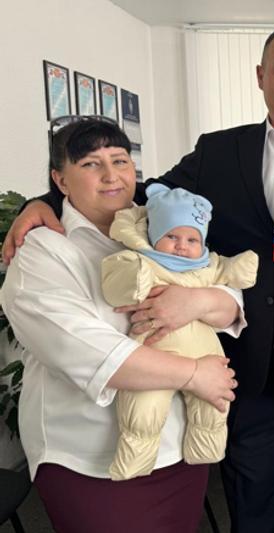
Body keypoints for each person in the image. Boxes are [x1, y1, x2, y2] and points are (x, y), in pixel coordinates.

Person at [4, 27, 274, 533]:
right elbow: (140, 195)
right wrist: (45, 202)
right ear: (262, 77)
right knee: (252, 505)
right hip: (245, 366)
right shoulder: (220, 152)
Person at [0, 117, 241, 532]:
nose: (111, 175)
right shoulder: (43, 251)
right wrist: (194, 374)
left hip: (178, 446)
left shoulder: (161, 224)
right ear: (60, 179)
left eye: (120, 160)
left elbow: (227, 293)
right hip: (90, 456)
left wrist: (199, 300)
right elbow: (83, 349)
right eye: (90, 164)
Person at [102, 184, 258, 481]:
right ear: (154, 235)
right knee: (144, 412)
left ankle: (206, 450)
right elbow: (115, 282)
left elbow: (227, 271)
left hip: (204, 351)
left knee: (214, 406)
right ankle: (134, 463)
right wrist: (135, 279)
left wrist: (241, 268)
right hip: (154, 351)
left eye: (191, 239)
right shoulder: (143, 260)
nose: (181, 246)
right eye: (171, 236)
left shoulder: (207, 264)